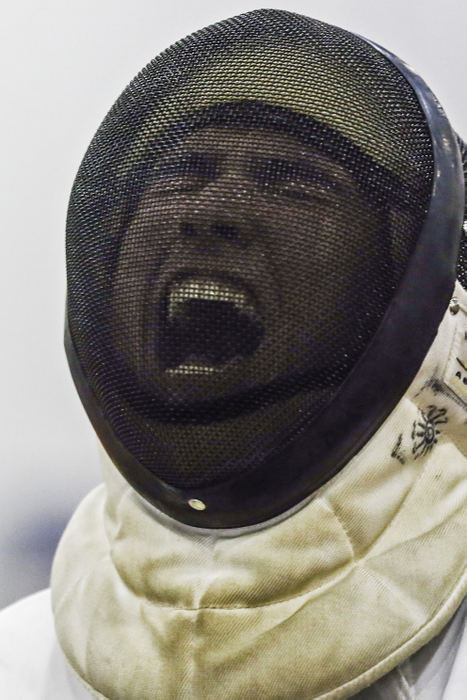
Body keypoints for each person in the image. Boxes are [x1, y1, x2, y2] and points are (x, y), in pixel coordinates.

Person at [1, 9, 466, 698]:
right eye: (182, 173)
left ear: (400, 277)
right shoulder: (21, 658)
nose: (211, 209)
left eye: (292, 182)